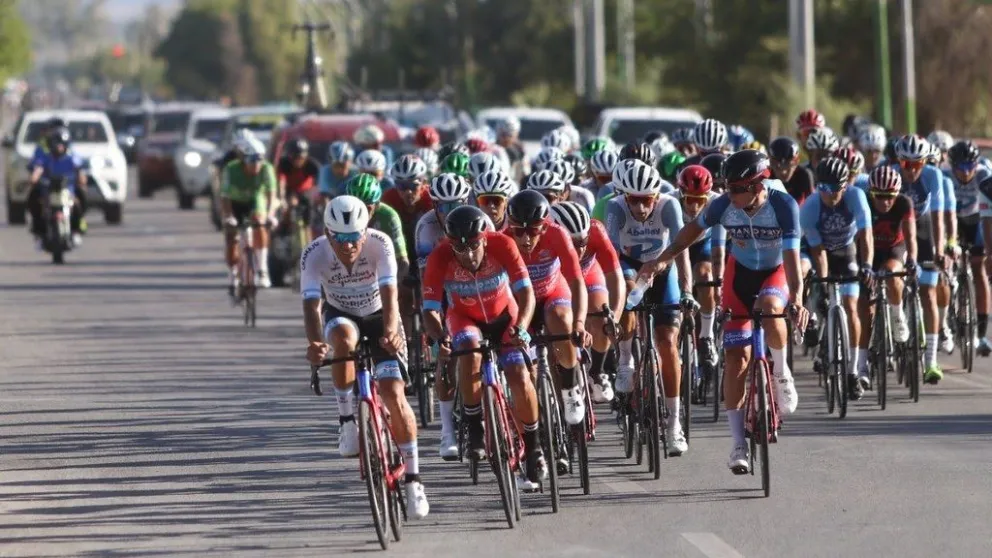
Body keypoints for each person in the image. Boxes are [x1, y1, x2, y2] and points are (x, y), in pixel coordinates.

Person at [652, 149, 808, 474]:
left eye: (737, 188)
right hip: (740, 276)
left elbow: (793, 261)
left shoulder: (782, 205)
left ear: (757, 184)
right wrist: (663, 257)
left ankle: (781, 373)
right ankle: (738, 443)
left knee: (770, 307)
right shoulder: (724, 205)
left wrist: (799, 299)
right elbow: (691, 231)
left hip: (775, 273)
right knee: (736, 357)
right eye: (727, 187)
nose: (730, 193)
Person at [302, 195, 429, 520]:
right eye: (339, 238)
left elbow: (390, 295)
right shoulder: (314, 253)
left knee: (394, 394)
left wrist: (392, 333)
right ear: (328, 234)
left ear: (365, 230)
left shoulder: (379, 244)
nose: (348, 245)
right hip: (341, 313)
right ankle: (347, 422)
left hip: (379, 315)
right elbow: (312, 306)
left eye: (354, 236)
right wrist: (315, 344)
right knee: (342, 340)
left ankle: (413, 479)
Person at [421, 205, 542, 491]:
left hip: (505, 315)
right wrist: (441, 339)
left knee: (518, 373)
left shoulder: (504, 244)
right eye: (460, 249)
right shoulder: (439, 257)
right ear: (450, 243)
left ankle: (535, 447)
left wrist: (522, 327)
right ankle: (475, 428)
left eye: (474, 246)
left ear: (484, 238)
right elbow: (429, 309)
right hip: (464, 317)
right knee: (469, 349)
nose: (469, 254)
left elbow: (526, 294)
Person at [605, 161, 694, 456]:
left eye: (647, 200)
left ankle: (673, 425)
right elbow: (612, 255)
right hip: (628, 267)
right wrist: (628, 285)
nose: (642, 208)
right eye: (635, 200)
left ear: (656, 195)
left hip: (663, 269)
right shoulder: (615, 208)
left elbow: (682, 249)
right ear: (623, 195)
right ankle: (626, 361)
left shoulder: (668, 205)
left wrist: (688, 290)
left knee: (668, 343)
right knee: (628, 289)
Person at [416, 173, 493, 459]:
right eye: (443, 206)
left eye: (456, 204)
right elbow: (428, 281)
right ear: (434, 205)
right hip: (446, 291)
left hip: (480, 289)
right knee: (446, 357)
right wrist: (434, 323)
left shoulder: (479, 219)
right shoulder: (426, 226)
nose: (450, 211)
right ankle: (447, 429)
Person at [505, 190, 590, 433]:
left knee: (562, 320)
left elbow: (576, 281)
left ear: (544, 226)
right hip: (522, 304)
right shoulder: (503, 240)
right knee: (524, 369)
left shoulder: (557, 234)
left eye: (533, 230)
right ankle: (538, 418)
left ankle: (571, 388)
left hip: (553, 293)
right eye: (518, 230)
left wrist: (580, 324)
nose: (526, 238)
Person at [800, 157, 874, 399]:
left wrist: (867, 266)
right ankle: (814, 322)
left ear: (845, 186)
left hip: (847, 250)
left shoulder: (856, 197)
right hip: (820, 251)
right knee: (816, 285)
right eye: (823, 188)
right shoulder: (810, 207)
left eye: (834, 189)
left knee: (852, 307)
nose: (828, 194)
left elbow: (865, 236)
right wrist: (821, 286)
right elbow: (818, 252)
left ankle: (853, 372)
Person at [549, 201, 624, 403]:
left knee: (602, 314)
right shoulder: (546, 237)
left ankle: (597, 372)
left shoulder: (597, 230)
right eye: (573, 244)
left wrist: (614, 318)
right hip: (557, 282)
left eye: (583, 242)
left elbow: (616, 278)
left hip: (588, 275)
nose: (580, 250)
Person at [894, 134, 947, 383]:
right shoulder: (891, 175)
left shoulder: (933, 176)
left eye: (918, 164)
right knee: (894, 280)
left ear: (925, 163)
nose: (912, 170)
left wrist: (940, 250)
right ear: (898, 162)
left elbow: (938, 217)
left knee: (928, 293)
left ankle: (931, 361)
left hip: (924, 231)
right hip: (897, 233)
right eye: (906, 164)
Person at [856, 166, 916, 371]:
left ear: (897, 193)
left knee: (891, 274)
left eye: (889, 196)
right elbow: (859, 237)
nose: (884, 202)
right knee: (865, 309)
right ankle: (862, 363)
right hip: (868, 252)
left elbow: (911, 237)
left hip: (894, 249)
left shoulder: (904, 203)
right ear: (871, 193)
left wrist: (913, 260)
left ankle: (898, 316)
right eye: (878, 196)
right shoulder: (863, 202)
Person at [674, 165, 726, 378]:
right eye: (690, 200)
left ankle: (706, 335)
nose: (695, 207)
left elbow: (718, 247)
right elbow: (676, 246)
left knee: (706, 275)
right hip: (677, 245)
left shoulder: (717, 203)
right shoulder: (670, 202)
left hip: (704, 245)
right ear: (680, 194)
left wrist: (719, 279)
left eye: (700, 201)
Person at [947, 141, 992, 356]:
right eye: (961, 168)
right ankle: (949, 309)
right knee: (946, 265)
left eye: (970, 167)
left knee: (978, 267)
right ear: (952, 165)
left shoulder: (984, 174)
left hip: (976, 221)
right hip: (953, 221)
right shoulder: (944, 175)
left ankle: (982, 333)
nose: (966, 172)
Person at [220, 138, 277, 290]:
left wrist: (271, 214)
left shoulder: (267, 169)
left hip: (254, 201)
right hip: (234, 204)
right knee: (232, 236)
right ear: (243, 160)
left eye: (260, 160)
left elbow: (271, 194)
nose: (256, 165)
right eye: (252, 160)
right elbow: (224, 197)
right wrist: (229, 217)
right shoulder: (231, 169)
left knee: (260, 224)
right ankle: (233, 272)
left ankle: (262, 269)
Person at [27, 126, 86, 247]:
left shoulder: (71, 159)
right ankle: (39, 232)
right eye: (56, 144)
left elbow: (80, 173)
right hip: (48, 192)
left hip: (67, 193)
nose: (59, 147)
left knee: (79, 201)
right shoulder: (46, 159)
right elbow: (38, 170)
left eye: (61, 144)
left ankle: (77, 229)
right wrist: (34, 178)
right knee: (34, 199)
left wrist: (80, 179)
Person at [345, 174, 409, 279]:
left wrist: (390, 284)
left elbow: (402, 262)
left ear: (377, 204)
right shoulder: (342, 214)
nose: (362, 213)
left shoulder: (389, 216)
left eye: (368, 208)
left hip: (381, 267)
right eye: (357, 207)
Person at [276, 138, 321, 239]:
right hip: (290, 191)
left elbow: (318, 185)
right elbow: (281, 182)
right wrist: (283, 199)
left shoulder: (312, 165)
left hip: (306, 192)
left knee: (309, 209)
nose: (298, 161)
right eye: (295, 158)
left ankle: (308, 238)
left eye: (301, 158)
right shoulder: (284, 164)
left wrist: (315, 198)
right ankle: (285, 227)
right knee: (288, 205)